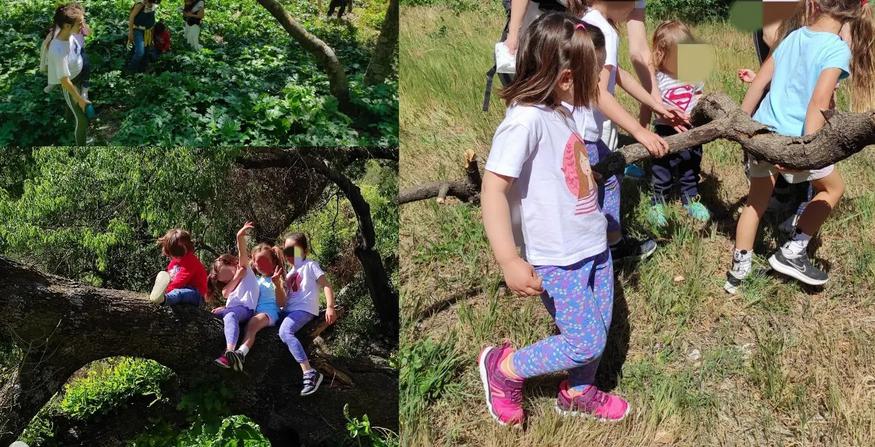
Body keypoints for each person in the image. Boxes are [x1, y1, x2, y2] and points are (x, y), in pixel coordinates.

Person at [478, 13, 635, 426]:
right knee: (585, 341)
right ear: (566, 79)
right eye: (593, 77)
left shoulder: (562, 112)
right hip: (558, 257)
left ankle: (578, 391)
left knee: (599, 326)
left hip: (592, 244)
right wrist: (509, 259)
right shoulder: (525, 120)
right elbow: (493, 189)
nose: (598, 85)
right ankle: (505, 368)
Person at [725, 0, 874, 294]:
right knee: (832, 189)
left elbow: (759, 84)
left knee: (755, 203)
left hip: (762, 134)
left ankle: (738, 271)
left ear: (815, 3)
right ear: (855, 12)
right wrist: (807, 153)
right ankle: (793, 251)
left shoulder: (791, 36)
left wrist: (740, 125)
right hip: (797, 141)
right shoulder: (836, 49)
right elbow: (818, 104)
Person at [581, 0, 690, 262]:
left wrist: (656, 104)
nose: (634, 7)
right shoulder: (602, 30)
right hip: (583, 133)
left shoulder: (593, 21)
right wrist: (639, 131)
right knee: (600, 183)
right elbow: (598, 92)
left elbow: (618, 75)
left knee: (607, 178)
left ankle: (607, 241)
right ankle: (606, 247)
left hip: (581, 128)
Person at [646, 20, 711, 227]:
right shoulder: (658, 77)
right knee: (662, 168)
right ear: (661, 54)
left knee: (690, 167)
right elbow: (649, 101)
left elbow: (699, 95)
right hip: (665, 130)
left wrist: (702, 108)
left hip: (691, 130)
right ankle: (658, 203)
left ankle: (690, 199)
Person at [278, 233, 337, 396]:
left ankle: (309, 372)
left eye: (294, 250)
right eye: (287, 250)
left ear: (305, 251)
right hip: (288, 310)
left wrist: (330, 307)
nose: (290, 254)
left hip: (304, 309)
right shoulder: (289, 273)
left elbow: (326, 285)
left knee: (285, 332)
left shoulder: (310, 265)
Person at [44, 3, 91, 145]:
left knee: (72, 110)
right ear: (66, 26)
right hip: (71, 84)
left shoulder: (70, 34)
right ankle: (81, 150)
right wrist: (80, 99)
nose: (83, 26)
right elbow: (64, 80)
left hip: (78, 75)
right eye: (80, 24)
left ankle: (68, 121)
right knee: (82, 120)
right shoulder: (57, 50)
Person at [149, 228, 209, 305]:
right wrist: (166, 285)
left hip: (196, 293)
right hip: (181, 288)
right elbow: (171, 275)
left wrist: (168, 290)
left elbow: (181, 279)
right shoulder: (174, 261)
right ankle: (160, 295)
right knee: (177, 292)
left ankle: (164, 299)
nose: (175, 257)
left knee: (178, 293)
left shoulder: (191, 261)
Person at [127, 0, 161, 73]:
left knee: (146, 53)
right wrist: (130, 32)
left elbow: (152, 21)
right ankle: (130, 70)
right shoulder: (140, 4)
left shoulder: (154, 5)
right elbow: (132, 16)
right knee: (140, 52)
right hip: (137, 30)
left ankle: (142, 70)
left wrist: (152, 37)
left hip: (148, 32)